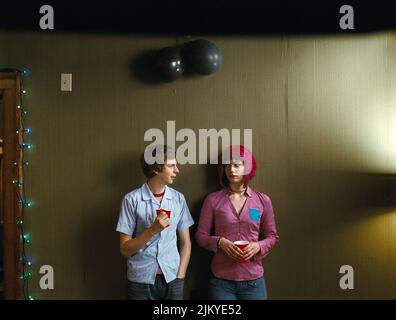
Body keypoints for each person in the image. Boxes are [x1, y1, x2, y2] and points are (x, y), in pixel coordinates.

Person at [195, 145, 279, 300]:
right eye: (227, 165)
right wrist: (219, 242)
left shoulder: (262, 200)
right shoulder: (213, 200)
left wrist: (258, 246)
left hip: (253, 281)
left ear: (247, 166)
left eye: (236, 165)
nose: (231, 170)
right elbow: (200, 236)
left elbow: (272, 236)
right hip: (221, 282)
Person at [116, 145, 194, 300]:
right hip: (140, 281)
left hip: (172, 279)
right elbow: (125, 249)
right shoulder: (131, 200)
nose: (177, 170)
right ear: (157, 168)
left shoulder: (178, 199)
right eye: (171, 166)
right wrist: (152, 230)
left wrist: (180, 276)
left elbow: (186, 243)